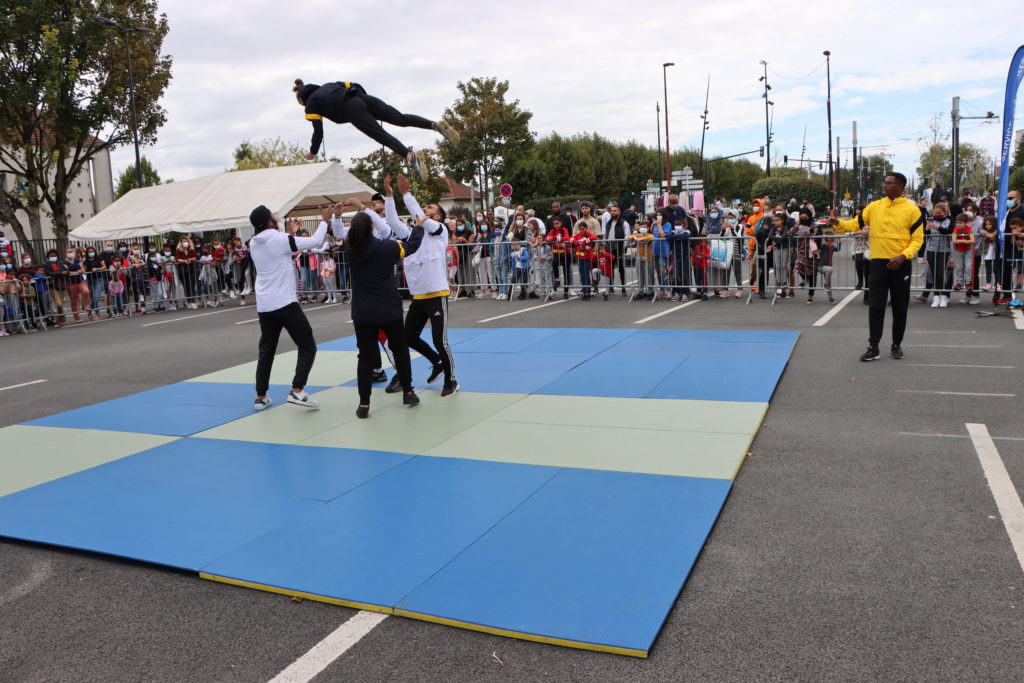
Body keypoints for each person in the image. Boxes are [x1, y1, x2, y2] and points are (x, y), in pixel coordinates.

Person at [830, 172, 924, 361]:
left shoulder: (912, 210)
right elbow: (855, 224)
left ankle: (896, 345)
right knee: (875, 306)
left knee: (899, 307)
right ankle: (874, 346)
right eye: (884, 183)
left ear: (900, 186)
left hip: (900, 263)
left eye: (889, 183)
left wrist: (904, 256)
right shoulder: (874, 206)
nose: (884, 186)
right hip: (878, 262)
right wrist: (838, 223)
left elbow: (918, 239)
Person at [293, 79, 459, 181]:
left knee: (382, 136)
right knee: (400, 118)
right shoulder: (329, 85)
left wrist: (313, 152)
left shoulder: (311, 104)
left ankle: (411, 157)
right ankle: (434, 125)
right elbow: (354, 84)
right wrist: (365, 104)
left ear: (302, 99)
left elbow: (318, 131)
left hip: (351, 109)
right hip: (362, 98)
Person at [248, 205, 327, 411]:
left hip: (265, 305)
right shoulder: (280, 239)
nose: (275, 216)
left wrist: (289, 232)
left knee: (266, 351)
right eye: (272, 215)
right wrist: (325, 220)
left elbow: (279, 252)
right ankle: (297, 390)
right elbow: (316, 241)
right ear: (268, 221)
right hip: (284, 302)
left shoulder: (253, 243)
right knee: (307, 344)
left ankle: (261, 396)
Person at [346, 209, 423, 418]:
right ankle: (408, 392)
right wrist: (418, 227)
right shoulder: (388, 247)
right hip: (389, 308)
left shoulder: (350, 250)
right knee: (400, 349)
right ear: (372, 227)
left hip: (362, 312)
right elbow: (412, 247)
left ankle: (364, 404)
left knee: (365, 357)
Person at [393, 174, 459, 397]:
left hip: (437, 292)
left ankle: (451, 380)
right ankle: (436, 362)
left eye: (430, 207)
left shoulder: (440, 231)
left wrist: (406, 194)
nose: (425, 208)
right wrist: (390, 197)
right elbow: (393, 223)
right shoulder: (414, 233)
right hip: (419, 296)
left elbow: (420, 216)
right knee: (407, 337)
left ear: (438, 216)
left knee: (441, 341)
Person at [916, 202, 952, 308]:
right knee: (934, 274)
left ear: (945, 212)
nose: (937, 214)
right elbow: (925, 234)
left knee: (942, 274)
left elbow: (950, 231)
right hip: (931, 249)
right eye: (935, 212)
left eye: (939, 212)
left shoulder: (950, 220)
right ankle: (936, 296)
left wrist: (938, 228)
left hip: (944, 250)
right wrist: (926, 228)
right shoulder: (931, 219)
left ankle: (944, 296)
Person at [601, 203, 632, 295]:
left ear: (619, 212)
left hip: (619, 248)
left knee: (621, 269)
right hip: (609, 248)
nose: (613, 212)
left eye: (615, 211)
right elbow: (605, 235)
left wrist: (623, 247)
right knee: (609, 269)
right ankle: (611, 288)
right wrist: (603, 245)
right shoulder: (608, 223)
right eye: (611, 211)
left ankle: (623, 288)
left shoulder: (624, 223)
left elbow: (627, 236)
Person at [950, 213, 976, 302]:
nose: (958, 224)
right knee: (959, 267)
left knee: (968, 266)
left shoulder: (969, 229)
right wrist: (965, 240)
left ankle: (968, 283)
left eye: (960, 223)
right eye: (957, 222)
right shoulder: (956, 229)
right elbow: (954, 240)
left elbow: (972, 240)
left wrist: (960, 240)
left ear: (966, 223)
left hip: (968, 250)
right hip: (958, 250)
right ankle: (959, 283)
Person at [545, 216, 572, 298]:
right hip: (556, 253)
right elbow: (546, 238)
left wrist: (555, 238)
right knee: (554, 263)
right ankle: (557, 279)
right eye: (554, 224)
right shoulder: (552, 231)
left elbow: (567, 238)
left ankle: (566, 291)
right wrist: (549, 238)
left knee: (566, 271)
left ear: (561, 223)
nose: (556, 225)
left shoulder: (564, 230)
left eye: (557, 223)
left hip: (565, 253)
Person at [571, 219, 597, 300]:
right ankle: (584, 291)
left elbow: (595, 237)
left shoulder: (589, 234)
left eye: (583, 229)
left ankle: (588, 292)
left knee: (586, 275)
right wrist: (576, 242)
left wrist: (586, 241)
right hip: (579, 258)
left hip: (587, 258)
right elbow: (571, 238)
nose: (582, 231)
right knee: (582, 275)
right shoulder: (578, 235)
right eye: (580, 229)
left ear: (586, 228)